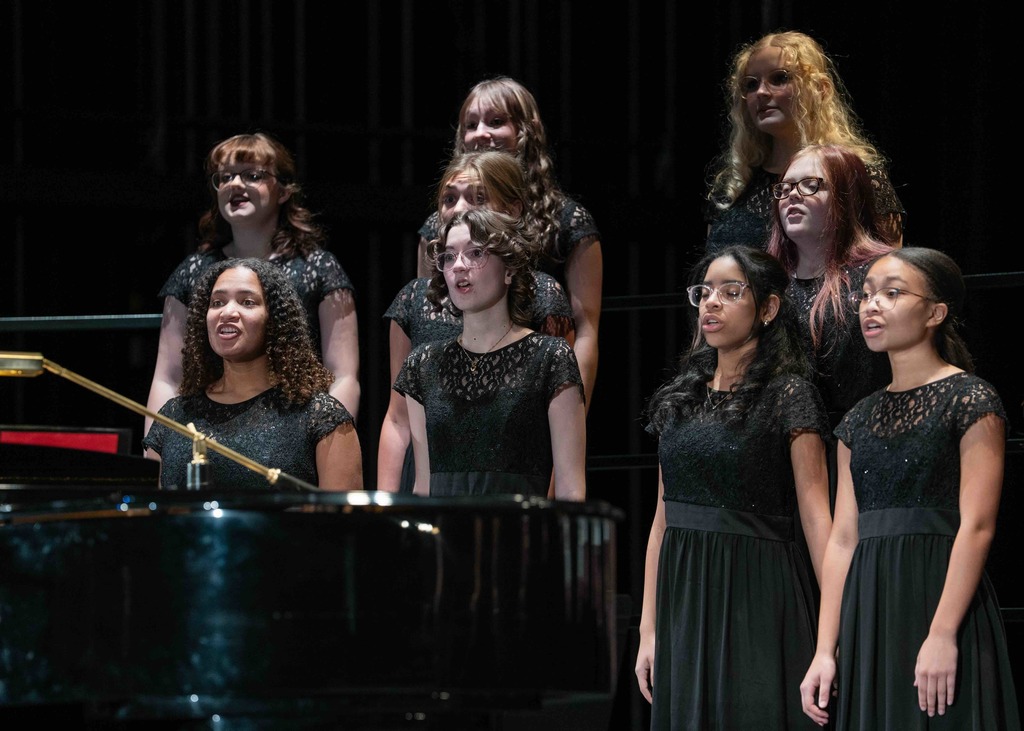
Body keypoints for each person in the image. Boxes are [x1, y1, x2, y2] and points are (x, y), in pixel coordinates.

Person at [800, 248, 1021, 730]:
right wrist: (825, 650)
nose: (872, 305)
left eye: (892, 294)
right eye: (866, 295)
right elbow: (842, 539)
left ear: (935, 313)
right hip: (870, 609)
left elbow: (977, 525)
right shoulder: (856, 420)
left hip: (939, 596)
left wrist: (942, 634)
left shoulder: (970, 399)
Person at [634, 245, 832, 729]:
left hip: (758, 596)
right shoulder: (680, 400)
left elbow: (817, 522)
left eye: (730, 291)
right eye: (704, 292)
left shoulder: (788, 395)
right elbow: (661, 523)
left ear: (768, 308)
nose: (711, 302)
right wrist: (647, 629)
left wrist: (832, 640)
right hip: (684, 601)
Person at [378, 150, 574, 493]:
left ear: (511, 209)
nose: (459, 208)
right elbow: (397, 418)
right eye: (449, 199)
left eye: (477, 198)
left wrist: (547, 505)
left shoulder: (543, 302)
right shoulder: (417, 308)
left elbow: (560, 428)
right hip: (437, 477)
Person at [145, 131, 360, 442]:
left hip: (294, 433)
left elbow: (343, 376)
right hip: (208, 434)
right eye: (225, 177)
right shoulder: (193, 271)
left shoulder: (319, 268)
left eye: (252, 175)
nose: (235, 184)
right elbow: (168, 377)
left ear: (283, 191)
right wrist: (157, 451)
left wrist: (327, 444)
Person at [415, 76, 602, 410]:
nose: (481, 133)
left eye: (496, 121)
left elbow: (586, 333)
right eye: (471, 124)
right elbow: (426, 319)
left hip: (532, 395)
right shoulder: (437, 227)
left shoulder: (564, 221)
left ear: (526, 131)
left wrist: (574, 417)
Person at [142, 258, 363, 491]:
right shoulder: (173, 416)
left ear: (274, 319)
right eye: (217, 303)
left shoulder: (320, 417)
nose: (227, 312)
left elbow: (342, 513)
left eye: (247, 302)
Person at [705, 30, 905, 255]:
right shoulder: (734, 186)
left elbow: (889, 268)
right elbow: (710, 269)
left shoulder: (858, 175)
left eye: (779, 78)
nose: (761, 92)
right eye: (751, 84)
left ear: (820, 89)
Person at [767, 143, 895, 430]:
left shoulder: (882, 274)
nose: (792, 195)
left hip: (868, 433)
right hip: (786, 441)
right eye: (785, 188)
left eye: (810, 185)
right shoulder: (768, 284)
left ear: (847, 196)